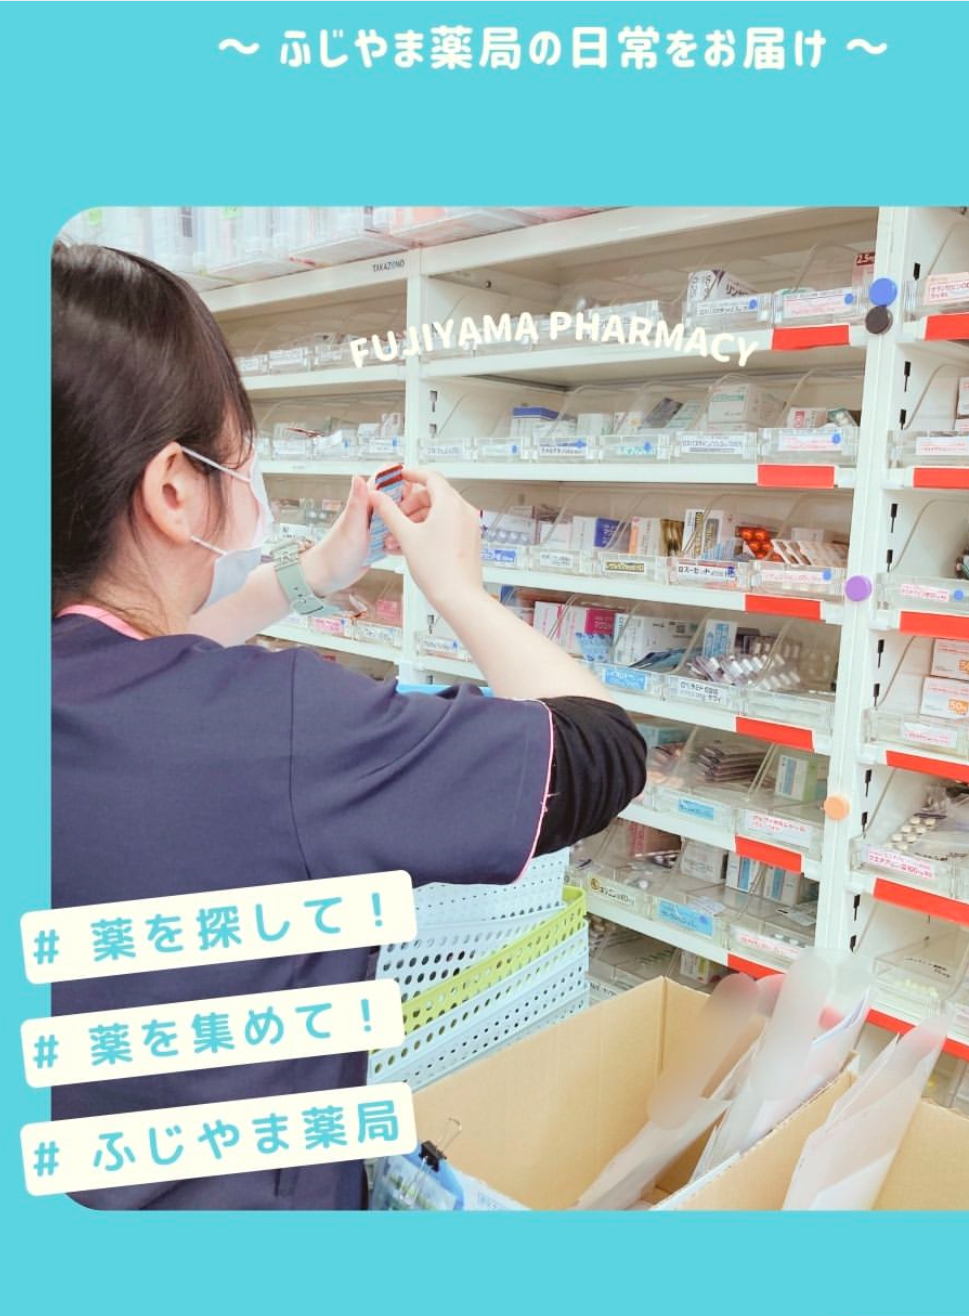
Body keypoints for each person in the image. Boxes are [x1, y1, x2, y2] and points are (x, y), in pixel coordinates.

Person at [51, 241, 647, 1210]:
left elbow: (136, 662)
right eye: (235, 457)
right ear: (172, 489)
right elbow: (598, 748)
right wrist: (457, 585)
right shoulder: (281, 728)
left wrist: (308, 577)